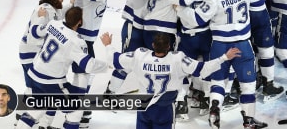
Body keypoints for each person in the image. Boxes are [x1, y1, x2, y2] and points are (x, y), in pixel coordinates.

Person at [99, 31, 241, 129]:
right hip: (165, 106)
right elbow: (203, 69)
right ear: (169, 46)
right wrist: (224, 58)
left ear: (153, 45)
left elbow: (115, 60)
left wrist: (107, 44)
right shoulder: (177, 59)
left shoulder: (139, 55)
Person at [15, 7, 111, 129]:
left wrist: (40, 17)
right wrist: (107, 66)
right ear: (80, 21)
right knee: (76, 108)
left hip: (35, 75)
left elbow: (34, 32)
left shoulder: (53, 24)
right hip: (51, 83)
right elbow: (88, 65)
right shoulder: (76, 41)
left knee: (38, 108)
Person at [204, 0, 270, 128]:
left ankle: (214, 110)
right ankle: (248, 120)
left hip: (219, 45)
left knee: (218, 82)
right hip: (242, 46)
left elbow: (199, 19)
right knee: (247, 85)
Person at [72, 0, 133, 127]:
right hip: (81, 40)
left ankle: (79, 107)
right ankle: (78, 111)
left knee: (86, 75)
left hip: (87, 40)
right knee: (83, 75)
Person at [17, 0, 72, 127]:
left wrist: (70, 5)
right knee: (40, 90)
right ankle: (26, 118)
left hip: (29, 53)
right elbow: (34, 35)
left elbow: (57, 17)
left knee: (36, 89)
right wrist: (43, 23)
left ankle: (26, 117)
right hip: (31, 54)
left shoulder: (48, 8)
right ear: (55, 0)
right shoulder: (46, 10)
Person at [241, 0, 284, 102]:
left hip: (242, 14)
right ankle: (268, 85)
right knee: (266, 48)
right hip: (258, 11)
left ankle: (243, 85)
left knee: (247, 48)